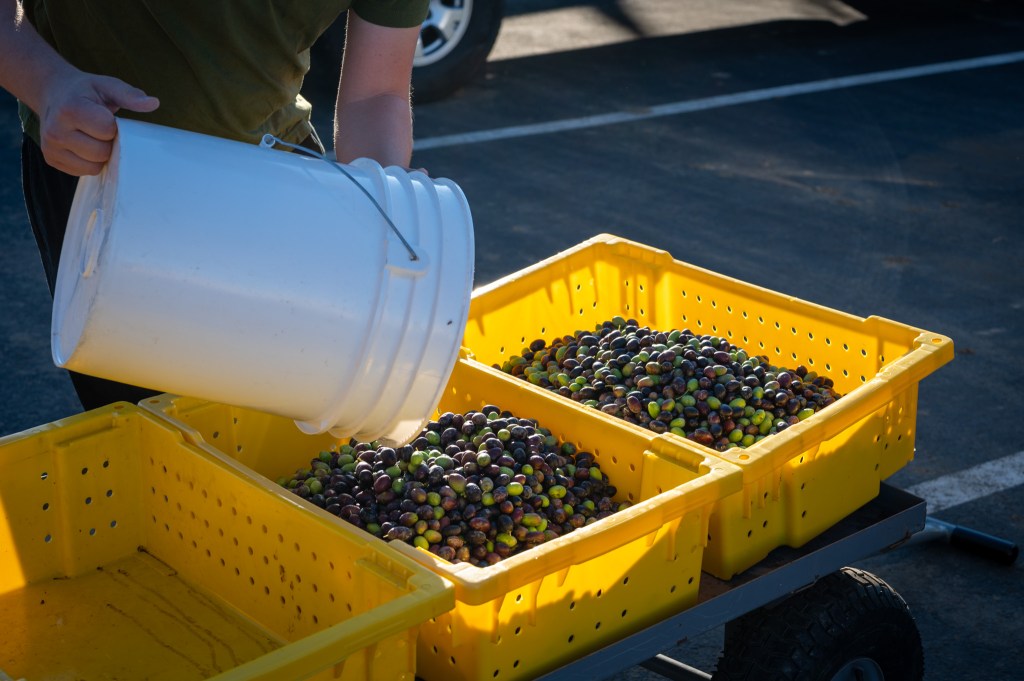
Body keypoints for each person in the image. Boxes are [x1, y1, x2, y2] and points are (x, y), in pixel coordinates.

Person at [0, 0, 428, 410]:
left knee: (289, 414)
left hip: (274, 177)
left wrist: (385, 204)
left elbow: (376, 94)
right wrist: (48, 86)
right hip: (99, 171)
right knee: (146, 420)